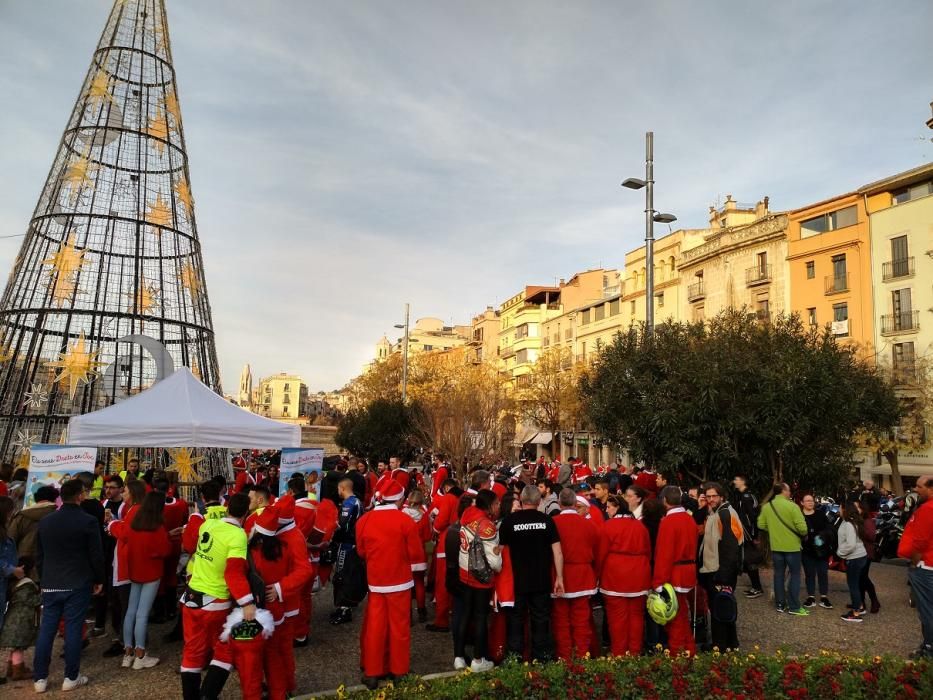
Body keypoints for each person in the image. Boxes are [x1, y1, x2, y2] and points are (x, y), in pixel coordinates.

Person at [179, 493, 257, 700]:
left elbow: (192, 546)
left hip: (190, 598)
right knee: (226, 650)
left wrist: (196, 515)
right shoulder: (237, 535)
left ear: (227, 508)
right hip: (214, 602)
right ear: (246, 514)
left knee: (192, 651)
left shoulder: (208, 525)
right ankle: (207, 696)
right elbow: (233, 571)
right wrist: (247, 601)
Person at [33, 479, 105, 692]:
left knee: (47, 629)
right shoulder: (88, 521)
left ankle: (40, 678)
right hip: (77, 581)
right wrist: (99, 579)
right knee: (74, 628)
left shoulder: (46, 522)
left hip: (51, 581)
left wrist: (42, 578)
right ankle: (70, 676)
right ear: (79, 496)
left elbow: (40, 554)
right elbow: (96, 554)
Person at [355, 478, 425, 689]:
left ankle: (373, 672)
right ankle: (399, 670)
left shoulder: (364, 520)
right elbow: (415, 553)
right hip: (400, 582)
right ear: (399, 499)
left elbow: (361, 552)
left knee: (375, 627)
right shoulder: (405, 521)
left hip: (376, 582)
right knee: (399, 628)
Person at [498, 485, 564, 662]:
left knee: (516, 620)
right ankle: (542, 657)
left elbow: (499, 551)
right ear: (539, 501)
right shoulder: (547, 521)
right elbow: (557, 551)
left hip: (517, 580)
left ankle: (515, 658)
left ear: (521, 500)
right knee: (541, 619)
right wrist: (560, 577)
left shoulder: (509, 522)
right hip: (541, 579)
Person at [118, 492, 170, 669]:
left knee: (131, 611)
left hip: (134, 570)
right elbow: (164, 550)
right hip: (152, 573)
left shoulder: (134, 523)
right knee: (142, 614)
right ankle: (140, 655)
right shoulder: (157, 526)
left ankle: (128, 652)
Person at [455, 489, 502, 672]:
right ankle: (478, 659)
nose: (498, 506)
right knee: (481, 617)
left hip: (464, 570)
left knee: (465, 614)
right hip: (480, 575)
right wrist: (500, 565)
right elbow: (493, 560)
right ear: (489, 505)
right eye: (496, 503)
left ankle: (459, 656)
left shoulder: (467, 514)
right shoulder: (486, 525)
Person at [598, 494, 650, 656]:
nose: (607, 510)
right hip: (639, 576)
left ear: (617, 507)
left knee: (617, 618)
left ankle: (619, 653)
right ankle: (634, 652)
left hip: (615, 577)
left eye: (609, 507)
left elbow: (600, 555)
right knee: (636, 616)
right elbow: (648, 552)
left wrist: (596, 575)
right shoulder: (640, 526)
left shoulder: (609, 526)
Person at [551, 488, 598, 660]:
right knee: (582, 620)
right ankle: (582, 655)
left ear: (559, 503)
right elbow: (596, 552)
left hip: (559, 574)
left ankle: (564, 656)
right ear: (574, 503)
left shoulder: (553, 522)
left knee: (561, 620)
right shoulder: (589, 525)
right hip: (583, 575)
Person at [652, 486, 698, 655]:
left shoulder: (668, 522)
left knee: (675, 619)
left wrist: (658, 581)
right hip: (689, 570)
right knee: (682, 615)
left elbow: (664, 554)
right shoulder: (689, 519)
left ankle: (677, 653)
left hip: (675, 573)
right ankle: (688, 649)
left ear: (664, 501)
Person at [698, 483, 743, 651]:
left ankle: (720, 647)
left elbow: (731, 548)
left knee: (720, 609)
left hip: (720, 572)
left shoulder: (725, 514)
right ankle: (730, 644)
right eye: (708, 496)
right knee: (724, 607)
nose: (710, 499)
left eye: (714, 496)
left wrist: (722, 576)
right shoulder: (717, 512)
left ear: (722, 496)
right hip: (716, 569)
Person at [757, 483, 808, 615]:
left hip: (776, 547)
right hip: (793, 547)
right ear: (784, 491)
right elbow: (802, 529)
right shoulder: (792, 506)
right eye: (789, 490)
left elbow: (760, 524)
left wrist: (774, 530)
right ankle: (794, 606)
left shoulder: (767, 507)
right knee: (795, 575)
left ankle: (780, 604)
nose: (790, 492)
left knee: (778, 575)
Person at [898, 475, 933, 658]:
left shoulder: (927, 509)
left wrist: (913, 562)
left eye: (919, 487)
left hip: (925, 567)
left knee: (927, 610)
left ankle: (929, 648)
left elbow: (920, 543)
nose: (915, 490)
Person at [0, 555, 39, 685]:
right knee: (18, 648)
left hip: (11, 620)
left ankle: (11, 668)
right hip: (20, 623)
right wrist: (43, 597)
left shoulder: (13, 584)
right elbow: (31, 601)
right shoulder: (27, 584)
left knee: (14, 647)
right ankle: (19, 671)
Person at [330, 478, 364, 626]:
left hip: (347, 544)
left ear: (342, 488)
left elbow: (342, 526)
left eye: (338, 489)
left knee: (342, 575)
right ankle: (343, 606)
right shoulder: (357, 501)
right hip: (352, 543)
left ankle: (345, 609)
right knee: (345, 574)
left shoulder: (349, 503)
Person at [7, 486, 57, 571]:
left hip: (24, 565)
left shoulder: (22, 516)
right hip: (50, 565)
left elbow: (10, 539)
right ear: (54, 499)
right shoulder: (57, 516)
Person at [837, 502, 870, 623]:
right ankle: (859, 606)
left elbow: (851, 544)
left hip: (855, 558)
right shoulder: (852, 522)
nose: (838, 510)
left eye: (840, 508)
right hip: (860, 556)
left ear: (845, 510)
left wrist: (840, 552)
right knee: (855, 583)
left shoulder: (849, 524)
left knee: (853, 585)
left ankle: (855, 613)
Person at [732, 475, 764, 598]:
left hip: (747, 534)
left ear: (743, 482)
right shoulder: (742, 496)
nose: (735, 482)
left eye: (737, 480)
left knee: (750, 560)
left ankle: (757, 588)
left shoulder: (746, 497)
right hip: (744, 533)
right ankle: (756, 586)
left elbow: (753, 518)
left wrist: (754, 536)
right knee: (746, 560)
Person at [800, 494, 832, 609]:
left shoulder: (820, 514)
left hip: (821, 550)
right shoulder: (799, 515)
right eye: (807, 501)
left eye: (812, 501)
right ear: (802, 503)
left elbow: (829, 529)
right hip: (807, 550)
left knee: (823, 573)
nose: (810, 502)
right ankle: (811, 597)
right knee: (809, 574)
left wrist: (822, 536)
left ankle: (824, 597)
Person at [853, 500, 881, 613]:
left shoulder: (867, 521)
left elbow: (871, 537)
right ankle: (861, 602)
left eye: (857, 508)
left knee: (863, 577)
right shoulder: (855, 521)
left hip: (866, 553)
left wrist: (858, 529)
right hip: (857, 553)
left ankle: (874, 601)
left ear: (862, 509)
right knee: (859, 578)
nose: (854, 510)